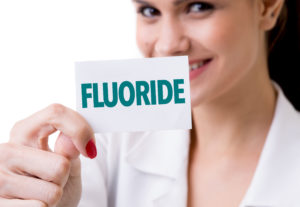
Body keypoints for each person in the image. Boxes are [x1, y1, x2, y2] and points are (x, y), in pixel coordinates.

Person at [0, 0, 299, 206]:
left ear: (267, 6)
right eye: (149, 10)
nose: (168, 44)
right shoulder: (102, 150)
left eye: (198, 7)